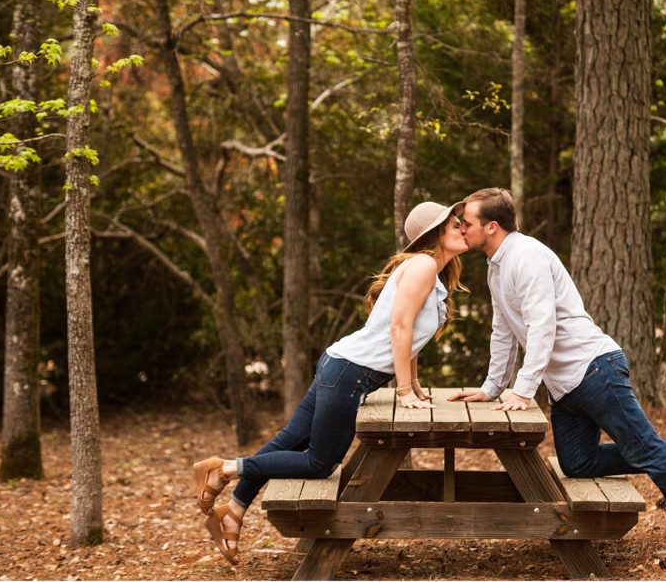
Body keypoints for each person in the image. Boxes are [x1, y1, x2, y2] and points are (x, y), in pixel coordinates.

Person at [449, 188, 666, 560]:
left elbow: (542, 326)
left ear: (492, 226)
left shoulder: (526, 257)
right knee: (577, 463)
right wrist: (492, 387)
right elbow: (504, 329)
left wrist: (523, 390)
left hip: (594, 370)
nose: (461, 229)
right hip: (566, 385)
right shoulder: (497, 266)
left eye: (467, 223)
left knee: (644, 450)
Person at [192, 200, 467, 564]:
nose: (463, 227)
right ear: (435, 234)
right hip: (350, 373)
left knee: (288, 441)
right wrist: (401, 390)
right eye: (454, 223)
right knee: (319, 463)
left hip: (341, 365)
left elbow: (410, 335)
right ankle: (224, 467)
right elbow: (399, 327)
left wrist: (413, 383)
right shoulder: (423, 266)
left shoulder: (430, 271)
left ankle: (235, 511)